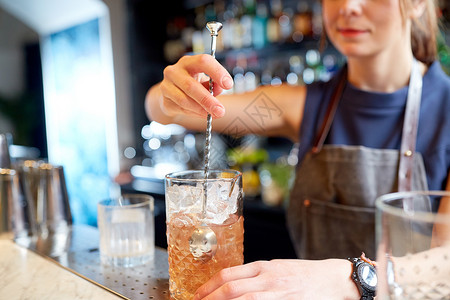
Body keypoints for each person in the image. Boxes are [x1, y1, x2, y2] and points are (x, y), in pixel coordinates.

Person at [146, 0, 450, 298]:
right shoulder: (300, 106)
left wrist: (350, 280)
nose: (349, 6)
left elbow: (444, 262)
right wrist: (170, 94)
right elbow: (168, 111)